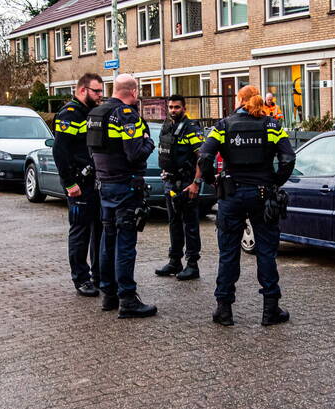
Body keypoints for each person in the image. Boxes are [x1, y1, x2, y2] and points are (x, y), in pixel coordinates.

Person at [188, 85, 296, 327]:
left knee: (228, 253)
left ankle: (224, 310)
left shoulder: (224, 125)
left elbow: (204, 157)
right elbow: (288, 159)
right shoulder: (272, 125)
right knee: (266, 251)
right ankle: (271, 309)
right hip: (263, 195)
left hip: (231, 194)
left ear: (239, 100)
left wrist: (210, 180)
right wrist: (274, 181)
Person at [87, 74, 157, 318]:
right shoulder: (126, 115)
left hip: (104, 184)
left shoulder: (96, 114)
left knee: (108, 239)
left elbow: (92, 150)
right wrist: (149, 142)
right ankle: (127, 298)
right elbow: (135, 153)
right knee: (125, 243)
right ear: (134, 92)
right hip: (125, 186)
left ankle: (109, 294)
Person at [52, 73, 105, 297]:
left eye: (102, 91)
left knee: (99, 230)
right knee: (80, 232)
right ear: (83, 90)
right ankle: (81, 278)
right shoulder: (70, 114)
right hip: (79, 184)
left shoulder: (90, 113)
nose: (101, 95)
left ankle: (98, 275)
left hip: (94, 183)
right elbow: (60, 151)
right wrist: (69, 183)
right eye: (97, 91)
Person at [154, 94, 205, 281]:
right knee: (174, 223)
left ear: (184, 108)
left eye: (177, 107)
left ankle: (192, 265)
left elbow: (202, 157)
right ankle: (175, 261)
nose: (173, 110)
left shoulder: (191, 128)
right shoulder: (167, 126)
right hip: (170, 183)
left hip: (187, 184)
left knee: (190, 225)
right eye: (170, 107)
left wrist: (196, 183)